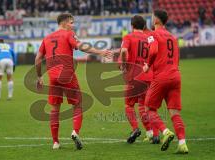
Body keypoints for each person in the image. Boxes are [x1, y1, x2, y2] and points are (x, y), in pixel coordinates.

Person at [35, 13, 111, 150]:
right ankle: (75, 132)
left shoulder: (46, 38)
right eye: (71, 22)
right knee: (77, 104)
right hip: (67, 75)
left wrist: (39, 76)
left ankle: (55, 142)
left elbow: (38, 58)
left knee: (54, 109)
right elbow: (81, 46)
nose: (73, 25)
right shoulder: (68, 34)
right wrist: (100, 52)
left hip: (53, 77)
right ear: (64, 23)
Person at [143, 9, 188, 154]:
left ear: (156, 20)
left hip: (161, 76)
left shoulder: (152, 34)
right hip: (175, 75)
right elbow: (177, 58)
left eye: (151, 17)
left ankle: (165, 131)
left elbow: (154, 50)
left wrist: (147, 65)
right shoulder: (173, 37)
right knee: (174, 112)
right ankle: (182, 144)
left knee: (149, 109)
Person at [119, 15, 159, 144]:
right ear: (143, 26)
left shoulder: (128, 37)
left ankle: (135, 128)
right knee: (144, 106)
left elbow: (124, 51)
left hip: (134, 75)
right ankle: (151, 133)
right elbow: (155, 52)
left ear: (132, 26)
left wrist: (124, 65)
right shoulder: (150, 37)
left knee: (128, 105)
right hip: (148, 76)